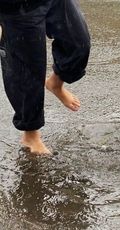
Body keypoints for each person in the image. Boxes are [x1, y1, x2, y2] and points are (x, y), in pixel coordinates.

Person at [0, 0, 90, 154]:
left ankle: (55, 83)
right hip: (16, 7)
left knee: (79, 44)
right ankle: (31, 135)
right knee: (27, 69)